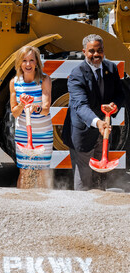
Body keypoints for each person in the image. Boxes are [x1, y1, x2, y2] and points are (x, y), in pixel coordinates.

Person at [62, 34, 124, 190]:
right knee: (84, 180)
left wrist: (114, 105)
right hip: (83, 133)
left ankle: (100, 211)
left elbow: (119, 94)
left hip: (103, 134)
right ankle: (82, 211)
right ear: (84, 52)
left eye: (100, 50)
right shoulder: (77, 74)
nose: (96, 54)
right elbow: (80, 105)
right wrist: (98, 123)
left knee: (101, 179)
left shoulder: (111, 68)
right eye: (92, 51)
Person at [9, 46, 53, 189]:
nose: (28, 64)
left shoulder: (44, 80)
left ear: (36, 62)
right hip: (23, 133)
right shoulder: (14, 82)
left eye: (31, 60)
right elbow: (15, 112)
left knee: (42, 171)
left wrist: (35, 107)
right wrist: (22, 105)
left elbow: (46, 109)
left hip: (43, 133)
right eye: (24, 61)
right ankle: (22, 203)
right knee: (24, 171)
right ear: (20, 63)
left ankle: (43, 203)